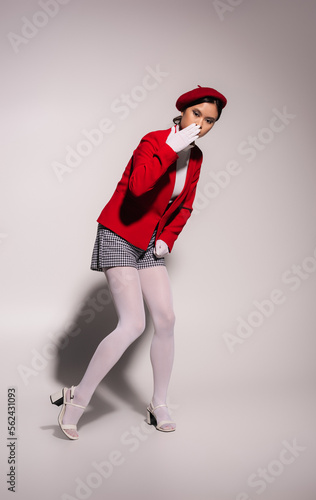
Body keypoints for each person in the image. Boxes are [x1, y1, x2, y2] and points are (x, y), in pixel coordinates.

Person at [50, 85, 227, 439]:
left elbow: (186, 204)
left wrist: (167, 238)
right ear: (183, 112)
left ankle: (158, 403)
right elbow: (138, 187)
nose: (202, 124)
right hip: (118, 232)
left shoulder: (196, 158)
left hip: (149, 242)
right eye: (197, 115)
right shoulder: (153, 141)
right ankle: (78, 398)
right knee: (132, 324)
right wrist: (168, 149)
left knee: (166, 319)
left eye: (210, 121)